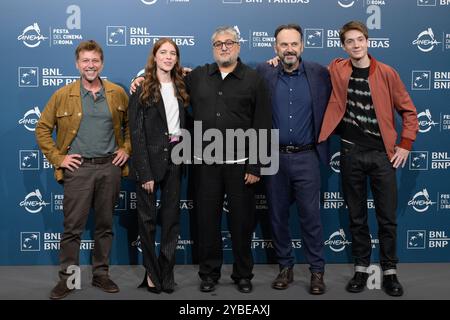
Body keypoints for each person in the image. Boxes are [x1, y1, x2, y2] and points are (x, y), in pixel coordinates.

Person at [131, 26, 271, 293]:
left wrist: (255, 164)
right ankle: (209, 274)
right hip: (205, 164)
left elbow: (262, 122)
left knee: (241, 223)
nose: (224, 47)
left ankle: (243, 274)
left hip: (241, 165)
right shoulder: (197, 77)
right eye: (219, 44)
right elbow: (165, 78)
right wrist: (139, 80)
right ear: (213, 48)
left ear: (238, 46)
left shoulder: (253, 79)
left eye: (229, 43)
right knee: (207, 223)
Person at [318, 21, 418, 297]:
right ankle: (361, 269)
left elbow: (409, 112)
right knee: (357, 217)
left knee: (387, 218)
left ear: (368, 41)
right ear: (344, 46)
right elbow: (308, 72)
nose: (356, 45)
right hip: (350, 153)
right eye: (350, 41)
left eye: (360, 39)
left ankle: (389, 272)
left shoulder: (387, 73)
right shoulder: (337, 69)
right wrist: (277, 60)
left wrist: (406, 145)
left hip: (382, 156)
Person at [35, 40, 131, 299]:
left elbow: (131, 126)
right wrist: (58, 158)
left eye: (95, 60)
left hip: (109, 168)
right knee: (72, 228)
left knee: (104, 225)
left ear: (102, 63)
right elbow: (42, 128)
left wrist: (126, 149)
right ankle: (69, 280)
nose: (91, 65)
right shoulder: (63, 95)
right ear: (77, 64)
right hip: (78, 170)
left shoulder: (117, 93)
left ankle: (101, 275)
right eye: (85, 61)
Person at [258, 24, 331, 294]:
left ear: (302, 46)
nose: (289, 49)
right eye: (283, 45)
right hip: (274, 158)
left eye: (294, 44)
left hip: (307, 156)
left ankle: (316, 272)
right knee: (277, 217)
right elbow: (233, 75)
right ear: (275, 47)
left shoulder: (320, 74)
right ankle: (285, 268)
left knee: (311, 217)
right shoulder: (264, 72)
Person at [128, 38, 188, 294]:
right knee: (147, 220)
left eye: (172, 53)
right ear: (154, 56)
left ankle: (166, 273)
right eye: (163, 52)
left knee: (172, 220)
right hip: (150, 160)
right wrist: (144, 171)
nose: (168, 57)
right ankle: (151, 273)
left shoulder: (182, 85)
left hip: (176, 155)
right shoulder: (142, 87)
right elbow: (136, 132)